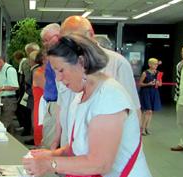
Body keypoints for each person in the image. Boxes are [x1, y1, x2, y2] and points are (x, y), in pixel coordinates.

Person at [22, 34, 162, 177]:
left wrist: (49, 164)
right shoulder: (82, 94)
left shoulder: (109, 95)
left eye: (61, 70)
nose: (59, 78)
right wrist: (52, 154)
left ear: (82, 62)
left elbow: (100, 162)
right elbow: (79, 145)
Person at [51, 15, 141, 150]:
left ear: (91, 35)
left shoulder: (117, 63)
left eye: (75, 39)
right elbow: (61, 105)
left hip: (105, 150)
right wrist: (56, 139)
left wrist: (131, 147)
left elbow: (134, 109)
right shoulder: (64, 66)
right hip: (71, 146)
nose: (70, 46)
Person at [40, 23, 60, 148]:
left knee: (49, 144)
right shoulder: (53, 56)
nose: (44, 44)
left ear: (57, 37)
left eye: (46, 40)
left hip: (56, 104)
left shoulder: (60, 57)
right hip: (52, 104)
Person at [0, 55, 19, 132]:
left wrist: (1, 88)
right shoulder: (2, 70)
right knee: (8, 123)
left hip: (9, 100)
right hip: (5, 99)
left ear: (0, 62)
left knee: (4, 124)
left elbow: (15, 86)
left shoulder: (10, 70)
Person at [138, 58, 162, 135]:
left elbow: (160, 83)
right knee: (147, 111)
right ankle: (142, 128)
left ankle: (147, 127)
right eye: (154, 64)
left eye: (156, 64)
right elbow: (140, 83)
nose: (156, 65)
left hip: (154, 92)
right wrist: (148, 84)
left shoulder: (158, 73)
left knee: (151, 112)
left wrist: (158, 83)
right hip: (146, 92)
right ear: (149, 64)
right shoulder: (145, 73)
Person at [31, 50, 46, 147]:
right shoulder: (39, 73)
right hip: (42, 110)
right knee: (42, 139)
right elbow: (53, 90)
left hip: (45, 109)